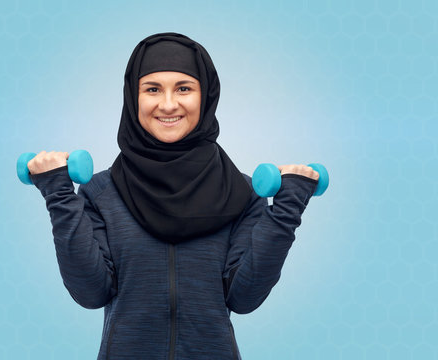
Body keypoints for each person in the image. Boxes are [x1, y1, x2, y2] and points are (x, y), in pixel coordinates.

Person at [27, 32, 319, 360]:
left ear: (205, 96)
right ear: (132, 98)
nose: (168, 104)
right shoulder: (99, 193)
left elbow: (244, 298)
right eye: (152, 89)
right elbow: (91, 293)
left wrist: (289, 206)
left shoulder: (243, 194)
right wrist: (58, 193)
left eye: (184, 88)